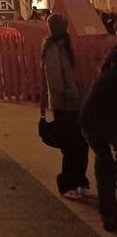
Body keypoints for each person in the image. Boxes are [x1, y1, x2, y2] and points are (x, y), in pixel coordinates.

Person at [41, 13, 89, 199]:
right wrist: (67, 96)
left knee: (81, 144)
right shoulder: (53, 48)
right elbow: (55, 80)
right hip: (65, 105)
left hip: (76, 103)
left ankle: (80, 180)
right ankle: (67, 183)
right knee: (71, 146)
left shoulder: (66, 46)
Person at [81, 45, 117, 231]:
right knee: (106, 165)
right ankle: (110, 213)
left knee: (105, 165)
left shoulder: (109, 69)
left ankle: (109, 212)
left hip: (92, 119)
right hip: (99, 121)